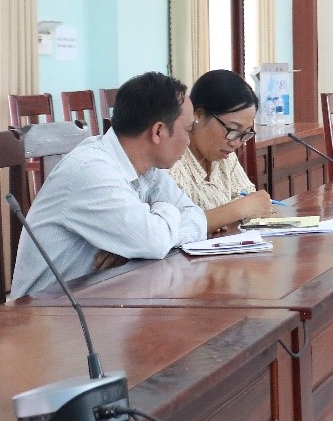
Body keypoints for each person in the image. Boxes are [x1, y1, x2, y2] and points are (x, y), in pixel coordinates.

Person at [9, 72, 207, 301]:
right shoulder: (91, 170)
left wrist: (134, 249)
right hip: (44, 311)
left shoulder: (149, 168)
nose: (189, 141)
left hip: (100, 298)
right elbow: (155, 242)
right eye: (187, 130)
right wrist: (163, 214)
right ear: (158, 131)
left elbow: (196, 219)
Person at [169, 69, 274, 233]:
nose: (236, 143)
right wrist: (233, 212)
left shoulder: (224, 155)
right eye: (232, 129)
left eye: (245, 133)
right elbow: (175, 228)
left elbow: (250, 200)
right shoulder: (171, 161)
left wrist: (234, 211)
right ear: (199, 115)